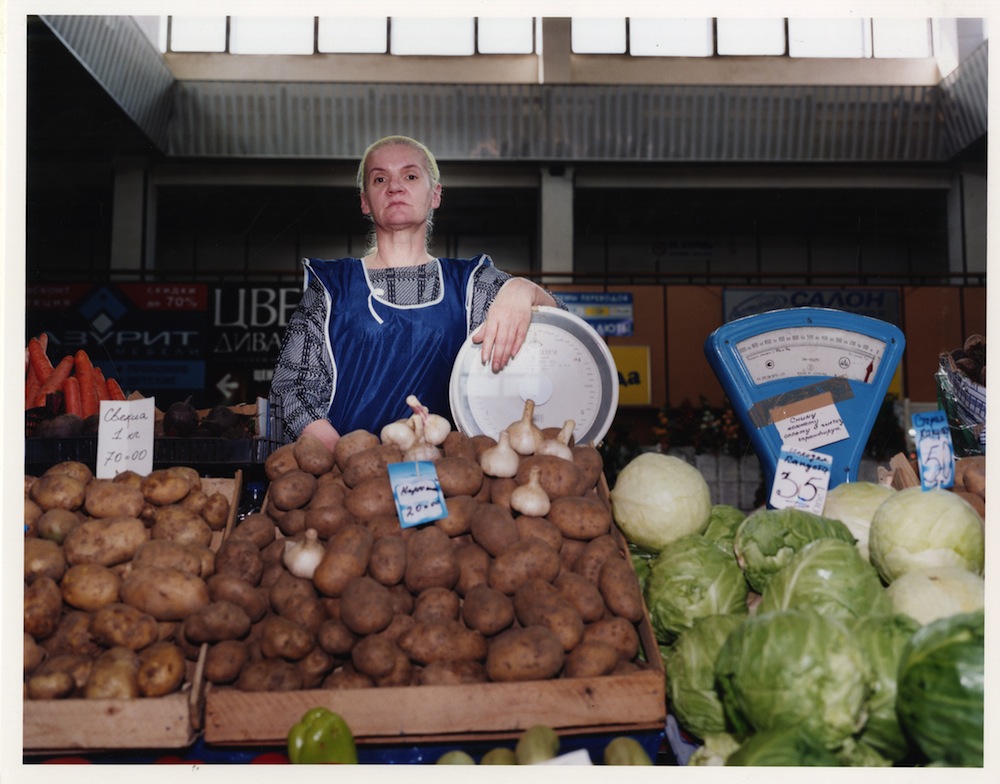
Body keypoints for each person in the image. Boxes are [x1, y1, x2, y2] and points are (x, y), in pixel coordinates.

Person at [270, 135, 562, 451]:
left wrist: (523, 290)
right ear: (365, 201)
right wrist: (348, 461)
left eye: (410, 176)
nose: (395, 187)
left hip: (453, 481)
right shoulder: (329, 286)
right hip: (348, 484)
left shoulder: (471, 283)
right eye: (380, 178)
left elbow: (565, 329)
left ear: (435, 194)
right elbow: (291, 388)